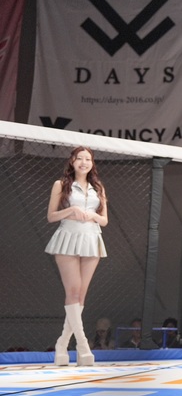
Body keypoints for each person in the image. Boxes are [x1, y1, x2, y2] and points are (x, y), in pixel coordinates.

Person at [45, 146, 108, 366]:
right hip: (67, 238)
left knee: (81, 296)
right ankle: (83, 346)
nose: (83, 162)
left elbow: (104, 220)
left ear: (92, 163)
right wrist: (71, 211)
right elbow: (51, 216)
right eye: (79, 158)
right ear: (72, 161)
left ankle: (62, 345)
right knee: (72, 292)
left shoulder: (98, 187)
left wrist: (92, 215)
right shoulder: (61, 184)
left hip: (92, 239)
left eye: (88, 159)